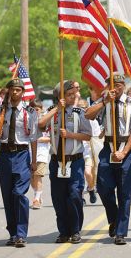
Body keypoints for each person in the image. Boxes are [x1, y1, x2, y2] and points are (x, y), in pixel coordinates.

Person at [85, 73, 131, 245]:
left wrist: (124, 152)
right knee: (103, 187)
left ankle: (120, 232)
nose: (115, 88)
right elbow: (88, 114)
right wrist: (104, 101)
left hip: (125, 149)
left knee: (124, 193)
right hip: (108, 148)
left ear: (123, 85)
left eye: (118, 85)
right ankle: (114, 218)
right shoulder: (104, 100)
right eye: (111, 85)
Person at [38, 80, 92, 244]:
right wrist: (57, 109)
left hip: (74, 161)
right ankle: (63, 231)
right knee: (59, 198)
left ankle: (75, 230)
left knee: (74, 196)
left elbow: (88, 135)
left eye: (72, 94)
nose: (72, 97)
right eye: (68, 95)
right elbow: (40, 124)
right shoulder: (52, 112)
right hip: (56, 161)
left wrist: (70, 135)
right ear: (59, 97)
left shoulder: (79, 112)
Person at [0, 78, 38, 248]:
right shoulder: (1, 109)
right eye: (12, 89)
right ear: (9, 91)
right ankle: (12, 233)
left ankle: (20, 233)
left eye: (18, 90)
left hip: (22, 154)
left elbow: (33, 137)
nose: (15, 92)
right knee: (8, 196)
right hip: (5, 154)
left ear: (22, 92)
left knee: (19, 194)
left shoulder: (30, 111)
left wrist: (33, 161)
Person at [29, 100, 50, 210]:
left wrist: (39, 139)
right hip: (29, 153)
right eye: (33, 110)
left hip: (41, 153)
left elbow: (51, 137)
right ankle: (38, 194)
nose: (35, 112)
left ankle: (36, 199)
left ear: (41, 109)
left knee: (37, 176)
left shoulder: (45, 121)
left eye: (37, 109)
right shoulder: (27, 120)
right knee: (31, 178)